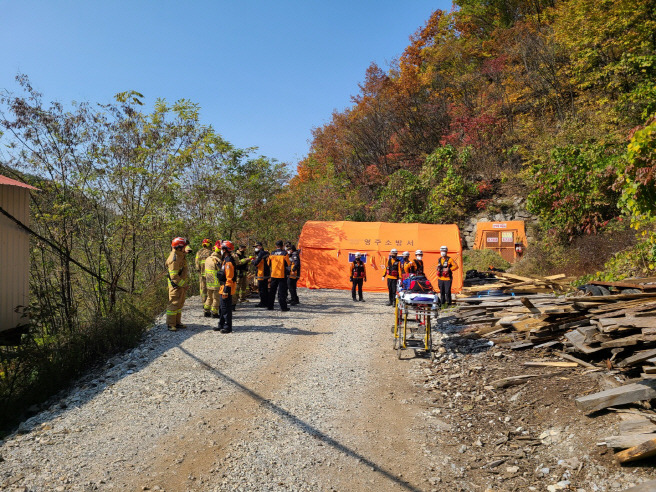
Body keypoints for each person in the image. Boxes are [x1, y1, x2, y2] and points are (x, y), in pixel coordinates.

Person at [166, 237, 190, 331]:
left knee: (179, 304)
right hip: (175, 285)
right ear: (179, 248)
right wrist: (184, 284)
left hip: (180, 285)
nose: (185, 248)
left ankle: (177, 322)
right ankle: (170, 324)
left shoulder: (180, 255)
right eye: (184, 247)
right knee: (174, 303)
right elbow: (174, 277)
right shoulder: (174, 259)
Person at [215, 240, 236, 333]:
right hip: (223, 286)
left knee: (226, 308)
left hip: (227, 287)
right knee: (221, 307)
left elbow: (229, 277)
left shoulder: (229, 262)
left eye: (222, 249)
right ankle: (221, 324)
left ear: (225, 250)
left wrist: (226, 290)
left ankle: (228, 327)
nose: (221, 250)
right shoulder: (225, 260)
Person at [267, 240, 291, 311]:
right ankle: (283, 307)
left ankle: (270, 306)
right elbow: (288, 264)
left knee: (272, 291)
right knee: (281, 292)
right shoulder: (284, 253)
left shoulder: (272, 253)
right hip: (281, 275)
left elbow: (268, 264)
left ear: (276, 246)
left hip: (273, 274)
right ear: (282, 246)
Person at [204, 241, 223, 318]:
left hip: (208, 283)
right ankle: (214, 313)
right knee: (216, 298)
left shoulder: (208, 258)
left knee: (209, 297)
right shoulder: (217, 260)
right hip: (216, 284)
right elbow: (220, 272)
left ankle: (206, 311)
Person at [251, 242, 271, 307]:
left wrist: (252, 261)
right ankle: (267, 302)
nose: (255, 248)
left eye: (256, 247)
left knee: (262, 289)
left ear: (260, 246)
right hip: (265, 273)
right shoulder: (265, 253)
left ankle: (263, 303)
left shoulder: (261, 254)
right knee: (265, 289)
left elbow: (256, 263)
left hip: (261, 273)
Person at [195, 239, 212, 305]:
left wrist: (199, 270)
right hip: (209, 273)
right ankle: (208, 302)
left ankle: (203, 302)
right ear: (209, 244)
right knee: (209, 288)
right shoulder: (210, 252)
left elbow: (196, 263)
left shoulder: (199, 252)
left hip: (201, 273)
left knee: (202, 287)